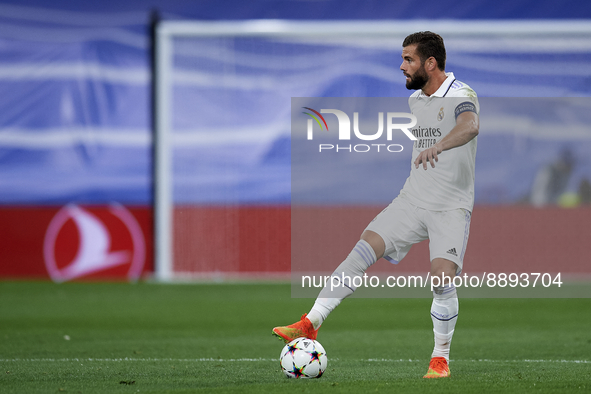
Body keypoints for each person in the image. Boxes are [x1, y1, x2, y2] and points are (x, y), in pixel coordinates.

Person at [273, 31, 480, 379]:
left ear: (430, 63)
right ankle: (310, 322)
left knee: (442, 280)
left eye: (409, 59)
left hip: (450, 206)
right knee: (363, 248)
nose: (402, 66)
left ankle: (439, 359)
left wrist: (440, 147)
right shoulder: (417, 100)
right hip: (412, 199)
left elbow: (470, 125)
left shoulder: (462, 94)